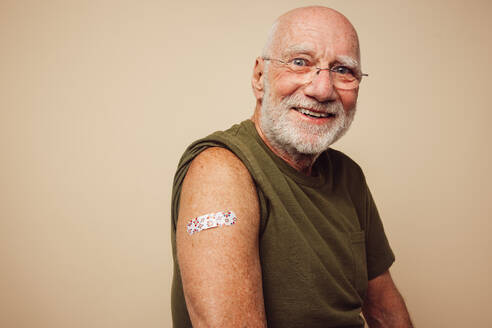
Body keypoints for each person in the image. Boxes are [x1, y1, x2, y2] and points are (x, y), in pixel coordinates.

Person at [171, 6, 413, 328]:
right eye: (300, 63)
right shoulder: (220, 171)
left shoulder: (349, 177)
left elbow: (385, 310)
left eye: (343, 70)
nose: (322, 89)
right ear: (259, 77)